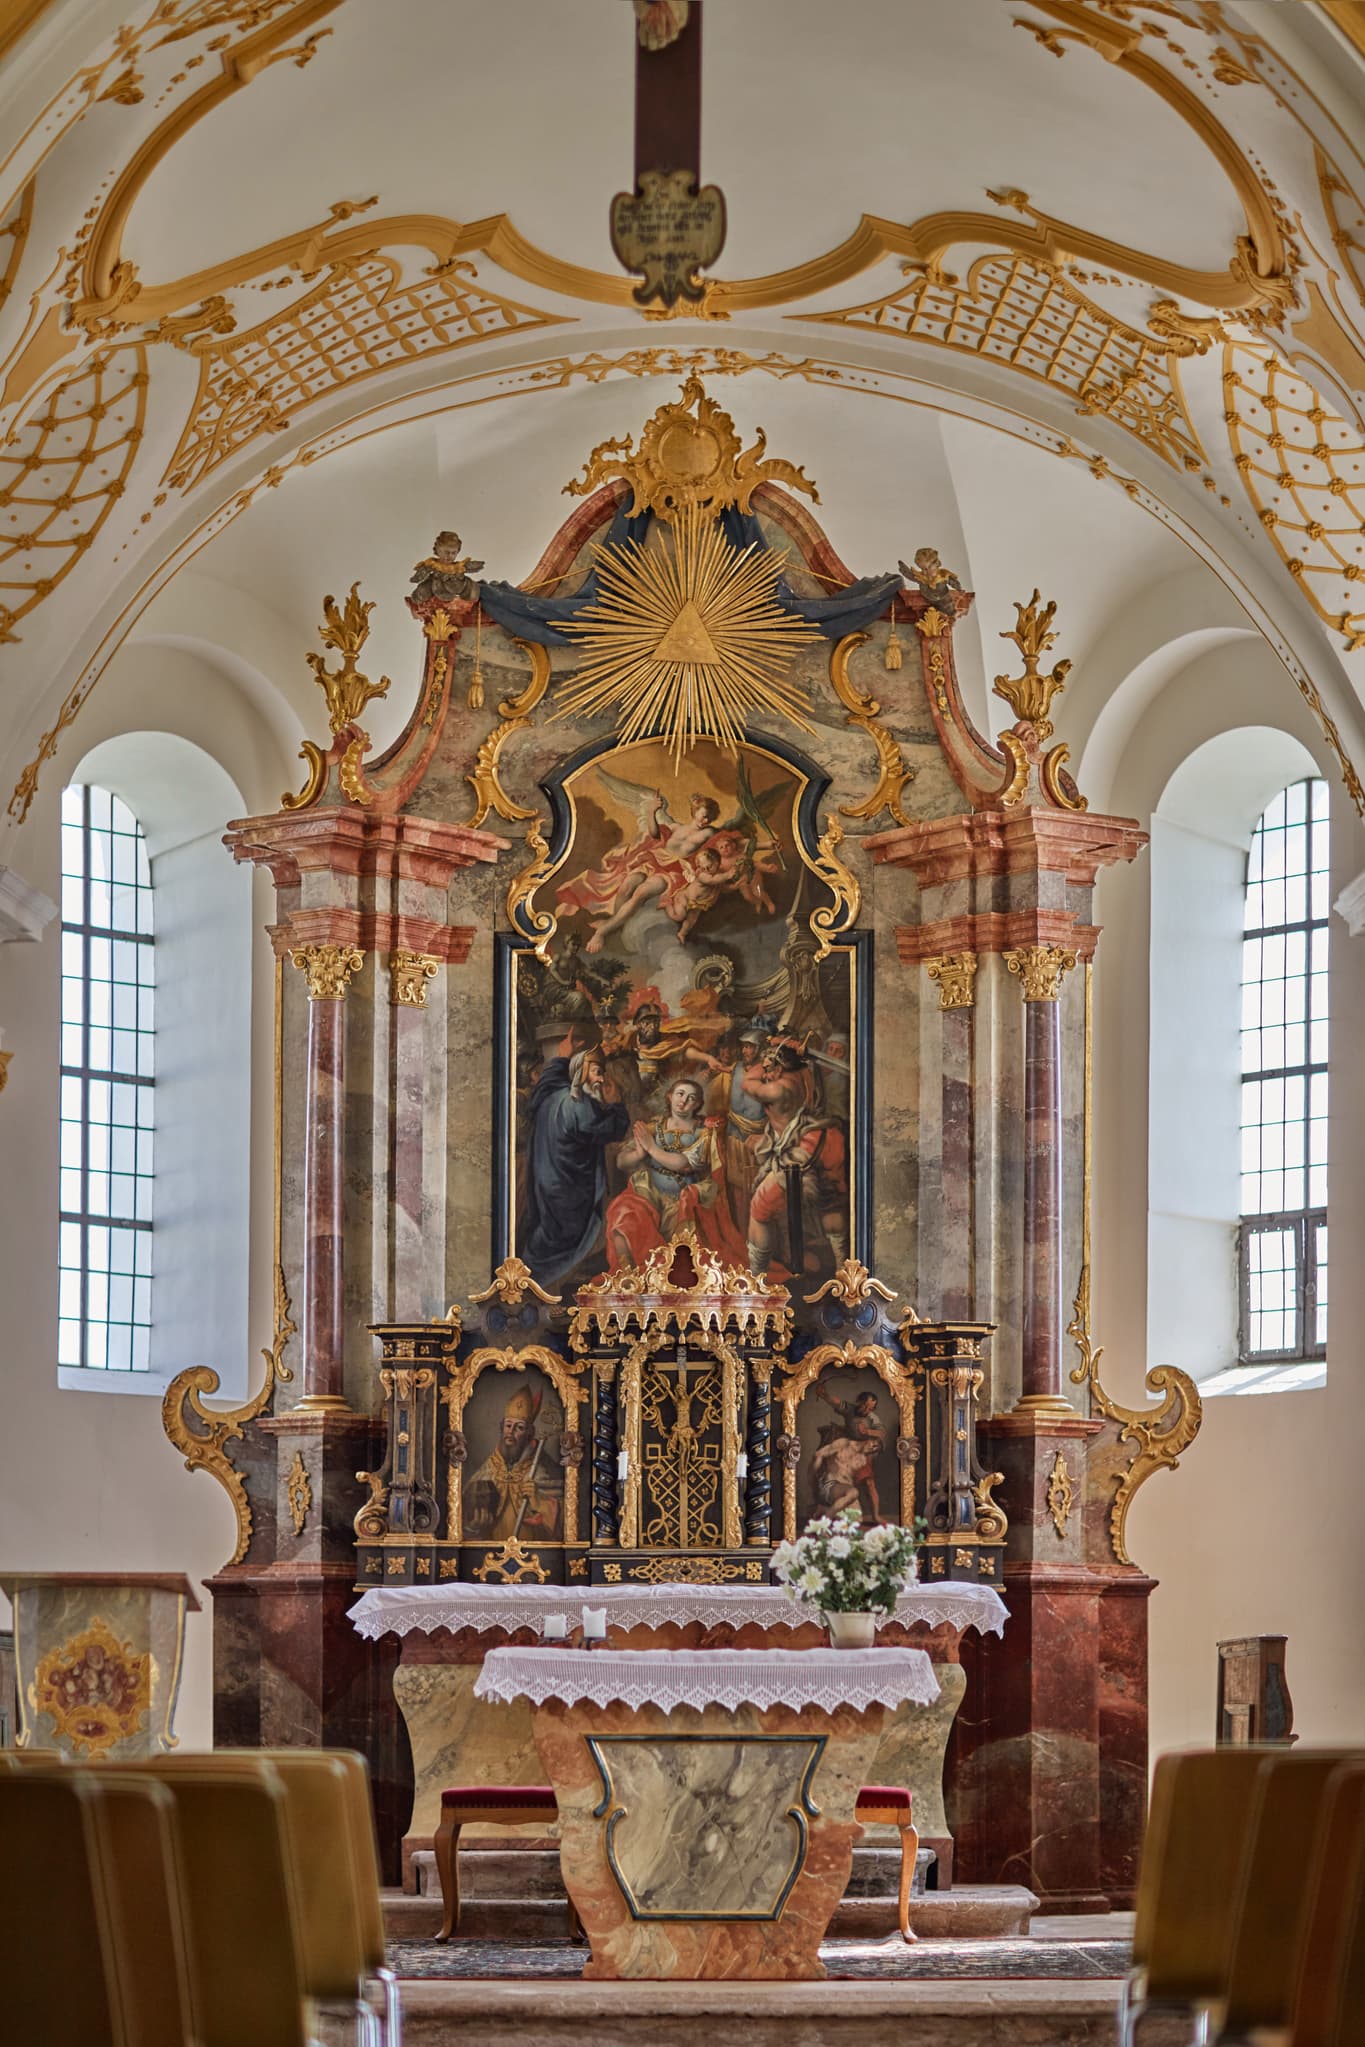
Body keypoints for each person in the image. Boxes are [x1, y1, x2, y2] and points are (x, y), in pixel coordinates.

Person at [606, 1076, 748, 1269]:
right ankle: (627, 1273)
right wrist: (638, 1153)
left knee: (683, 1251)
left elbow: (683, 1163)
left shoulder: (703, 1133)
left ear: (697, 1104)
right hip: (649, 1193)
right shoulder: (654, 1127)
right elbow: (621, 1161)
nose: (684, 1101)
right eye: (680, 1094)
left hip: (682, 1200)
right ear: (670, 1096)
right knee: (623, 1212)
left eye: (691, 1098)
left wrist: (651, 1148)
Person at [519, 1044, 629, 1287]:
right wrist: (617, 1105)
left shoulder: (551, 1093)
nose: (601, 1079)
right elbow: (609, 1130)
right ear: (580, 1071)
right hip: (568, 1188)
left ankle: (534, 1279)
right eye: (597, 1072)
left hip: (548, 1179)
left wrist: (560, 1058)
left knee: (547, 1233)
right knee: (566, 1238)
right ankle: (544, 1282)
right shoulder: (579, 1104)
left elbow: (548, 1080)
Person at [745, 1043, 849, 1278]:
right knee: (830, 1202)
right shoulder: (806, 1074)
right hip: (828, 1139)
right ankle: (843, 1270)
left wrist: (771, 1049)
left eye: (768, 1068)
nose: (765, 1074)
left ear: (779, 1067)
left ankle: (756, 1278)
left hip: (804, 1150)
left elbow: (747, 1082)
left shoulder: (778, 1088)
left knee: (759, 1208)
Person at [465, 1383, 564, 1540]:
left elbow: (566, 1517)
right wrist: (473, 1525)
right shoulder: (489, 1467)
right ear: (502, 1427)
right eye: (508, 1425)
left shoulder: (543, 1468)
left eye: (519, 1427)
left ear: (529, 1433)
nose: (510, 1432)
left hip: (533, 1547)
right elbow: (465, 1510)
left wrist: (539, 1502)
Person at [813, 1378, 887, 1522]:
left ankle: (875, 1516)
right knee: (841, 1481)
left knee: (869, 1483)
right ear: (859, 1402)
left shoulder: (872, 1418)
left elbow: (882, 1433)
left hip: (863, 1452)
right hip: (847, 1451)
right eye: (865, 1406)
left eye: (871, 1408)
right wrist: (824, 1395)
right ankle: (828, 1509)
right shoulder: (850, 1410)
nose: (867, 1411)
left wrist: (868, 1431)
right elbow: (836, 1402)